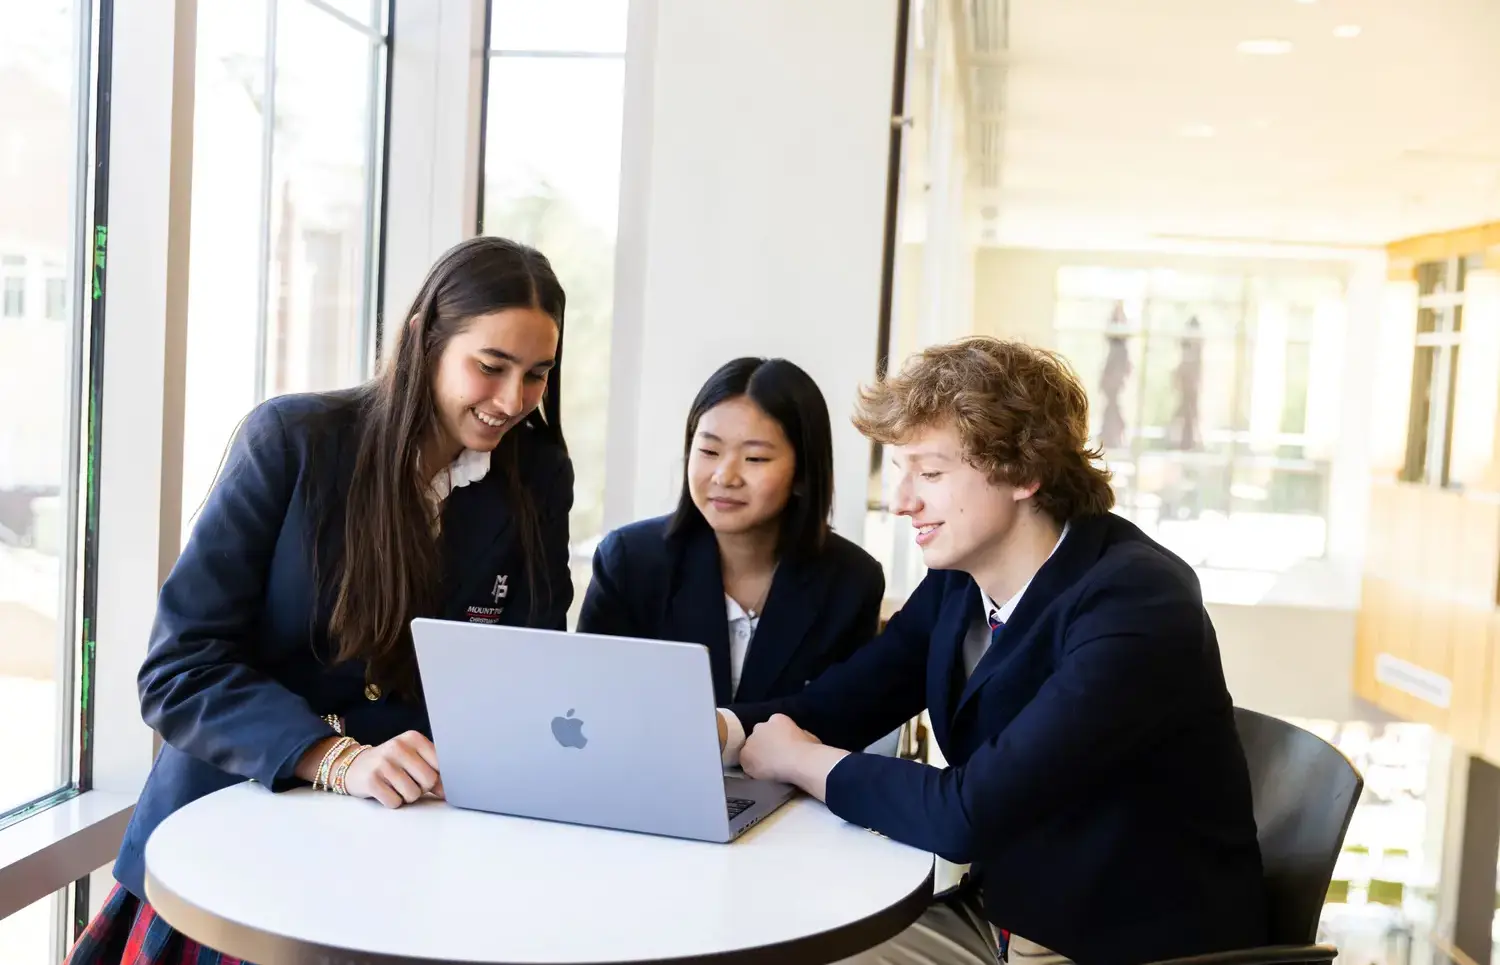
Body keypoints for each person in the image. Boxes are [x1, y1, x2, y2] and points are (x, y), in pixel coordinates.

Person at [66, 237, 574, 965]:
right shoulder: (294, 442)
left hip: (407, 860)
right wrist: (332, 754)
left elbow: (532, 669)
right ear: (422, 338)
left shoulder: (536, 478)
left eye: (536, 375)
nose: (512, 401)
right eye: (490, 367)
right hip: (232, 845)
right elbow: (179, 668)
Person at [717, 337, 1267, 964]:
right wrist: (721, 731)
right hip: (1002, 920)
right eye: (901, 472)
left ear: (1023, 473)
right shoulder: (959, 580)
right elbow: (845, 702)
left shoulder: (1137, 601)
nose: (902, 501)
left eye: (929, 473)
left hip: (1119, 946)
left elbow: (965, 814)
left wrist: (801, 761)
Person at [579, 357, 885, 707]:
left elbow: (845, 718)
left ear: (803, 474)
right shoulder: (629, 562)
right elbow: (587, 702)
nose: (724, 476)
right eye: (709, 451)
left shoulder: (852, 581)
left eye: (755, 459)